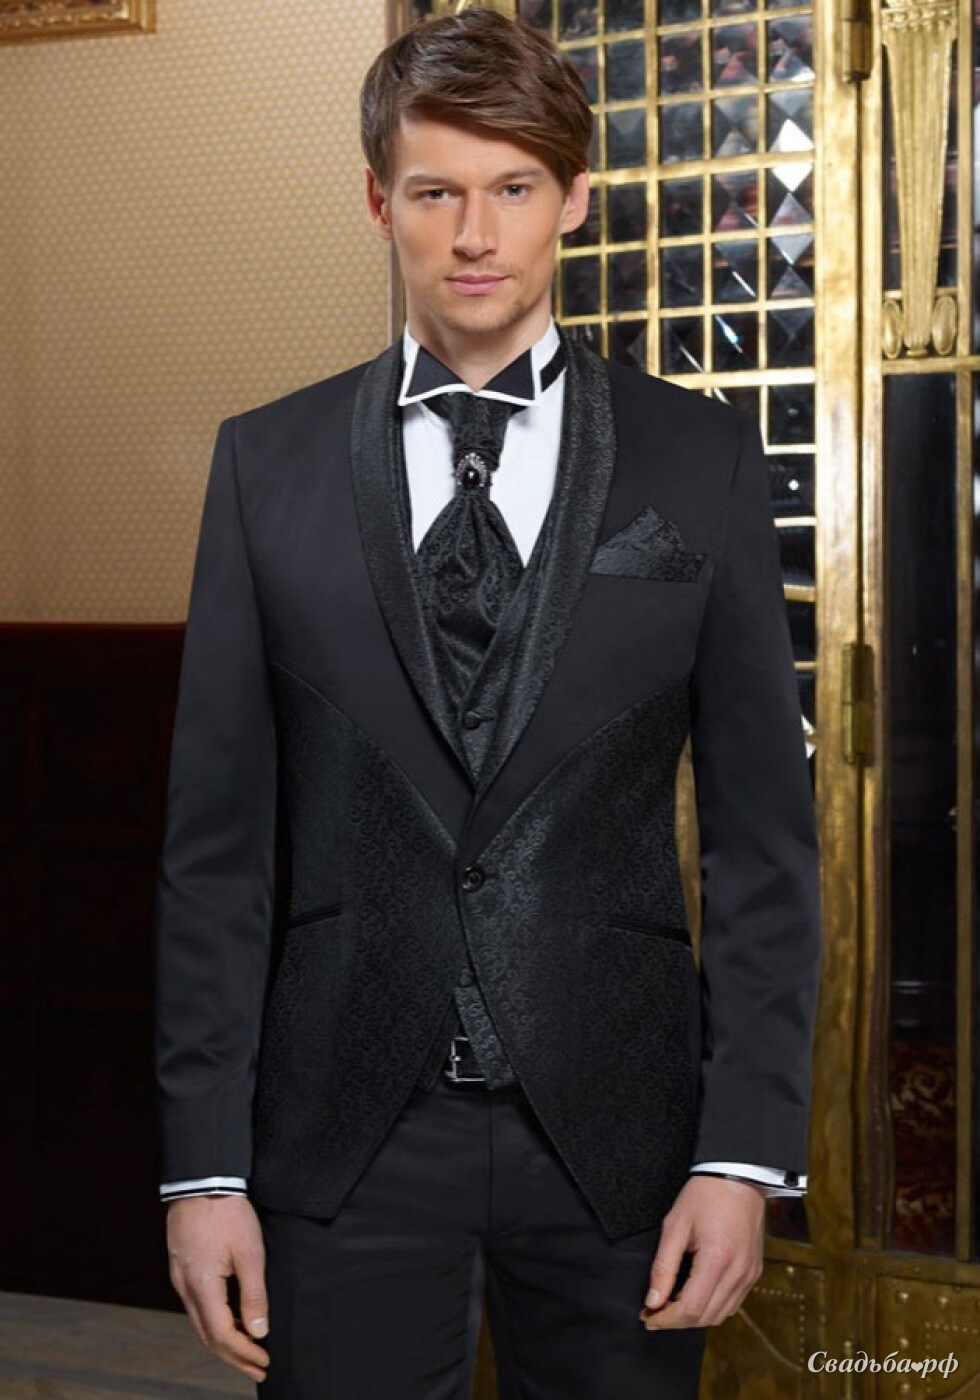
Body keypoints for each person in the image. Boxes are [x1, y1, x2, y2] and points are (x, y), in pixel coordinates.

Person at [153, 7, 822, 1397]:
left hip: (625, 1134)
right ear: (377, 201)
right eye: (436, 191)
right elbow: (217, 856)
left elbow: (765, 844)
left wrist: (743, 1152)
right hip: (341, 1135)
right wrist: (203, 1170)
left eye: (513, 188)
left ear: (572, 199)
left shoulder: (699, 457)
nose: (475, 235)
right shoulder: (264, 465)